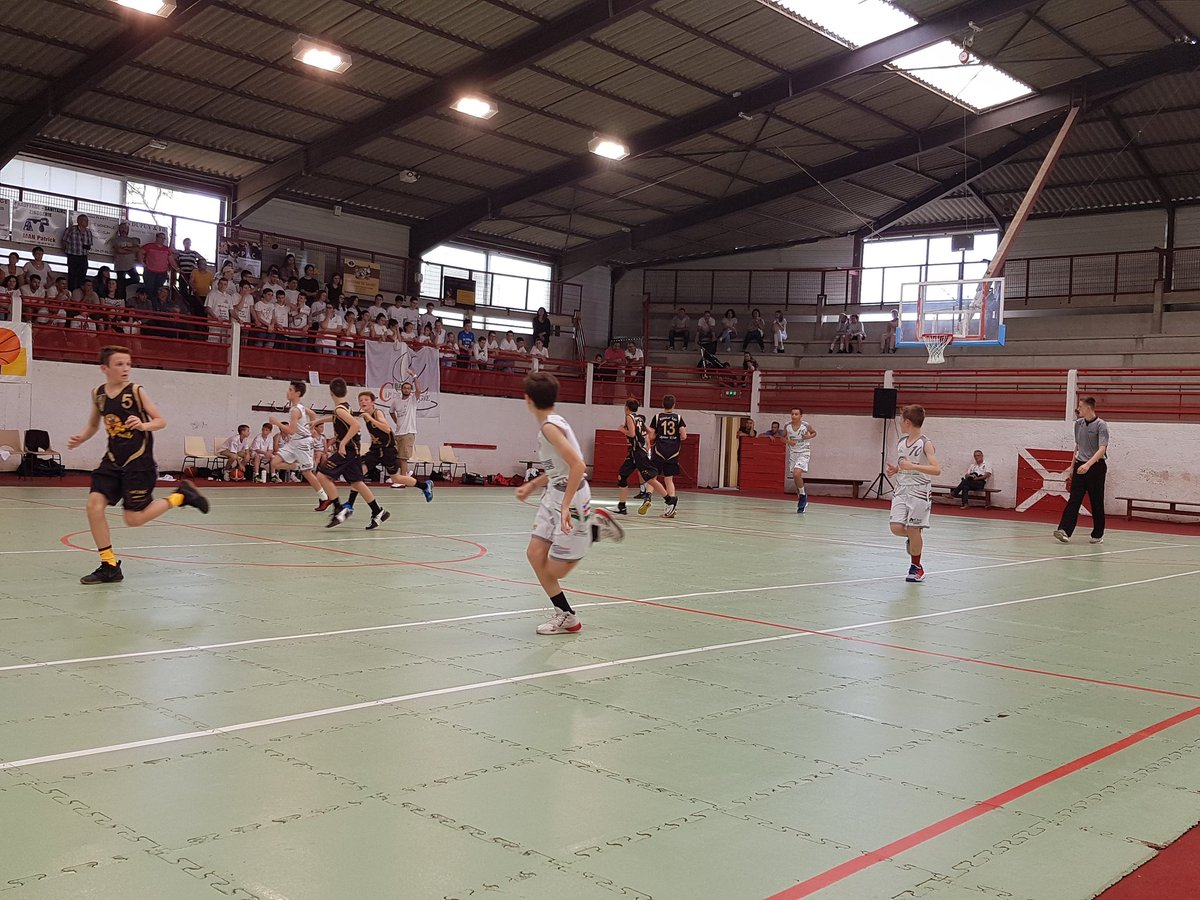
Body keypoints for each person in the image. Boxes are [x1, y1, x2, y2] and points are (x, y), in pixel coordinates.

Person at [67, 345, 209, 584]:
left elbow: (160, 421)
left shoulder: (135, 391)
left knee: (133, 519)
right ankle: (109, 565)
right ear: (105, 369)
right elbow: (93, 425)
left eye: (129, 364)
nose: (125, 368)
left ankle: (180, 497)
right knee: (94, 506)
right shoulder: (98, 394)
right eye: (119, 364)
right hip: (112, 460)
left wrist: (143, 425)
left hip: (138, 462)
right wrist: (81, 437)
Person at [514, 372, 624, 635]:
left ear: (527, 399)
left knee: (556, 570)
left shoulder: (550, 428)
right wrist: (533, 484)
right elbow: (560, 467)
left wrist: (565, 506)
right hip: (554, 492)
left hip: (572, 498)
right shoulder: (553, 422)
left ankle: (594, 530)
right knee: (534, 554)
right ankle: (566, 615)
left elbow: (577, 465)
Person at [314, 377, 388, 529]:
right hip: (353, 451)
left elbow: (355, 425)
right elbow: (337, 418)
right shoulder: (344, 407)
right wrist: (317, 422)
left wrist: (342, 443)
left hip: (347, 450)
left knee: (322, 475)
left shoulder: (339, 409)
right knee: (357, 483)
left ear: (331, 392)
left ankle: (338, 509)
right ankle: (378, 511)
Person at [886, 404, 941, 583]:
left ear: (907, 422)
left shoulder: (926, 443)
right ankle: (914, 536)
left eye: (901, 420)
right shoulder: (902, 442)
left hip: (919, 492)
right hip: (901, 490)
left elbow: (936, 469)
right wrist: (897, 469)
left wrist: (913, 467)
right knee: (895, 528)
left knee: (912, 528)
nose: (900, 423)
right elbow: (905, 465)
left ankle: (917, 567)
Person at [357, 391, 434, 509]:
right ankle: (349, 504)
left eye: (366, 399)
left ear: (373, 402)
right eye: (361, 400)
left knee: (396, 478)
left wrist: (370, 418)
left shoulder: (377, 413)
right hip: (376, 450)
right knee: (358, 474)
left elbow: (387, 429)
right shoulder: (365, 415)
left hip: (388, 450)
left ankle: (424, 486)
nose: (363, 401)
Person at [1054, 396, 1109, 545]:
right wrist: (1072, 467)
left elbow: (1102, 448)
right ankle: (1064, 530)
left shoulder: (1101, 425)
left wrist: (1089, 465)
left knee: (1096, 501)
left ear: (1089, 408)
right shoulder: (1078, 424)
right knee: (1074, 499)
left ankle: (1098, 534)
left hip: (1096, 467)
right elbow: (1078, 447)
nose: (1078, 409)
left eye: (1080, 406)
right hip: (1080, 466)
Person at [268, 381, 331, 506]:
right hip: (294, 442)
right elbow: (312, 414)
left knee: (307, 473)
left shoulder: (296, 410)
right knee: (275, 463)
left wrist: (277, 423)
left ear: (297, 393)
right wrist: (312, 428)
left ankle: (324, 498)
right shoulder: (299, 407)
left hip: (302, 443)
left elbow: (290, 430)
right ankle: (298, 467)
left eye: (290, 390)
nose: (288, 392)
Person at [615, 398, 666, 516]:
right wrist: (645, 441)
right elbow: (650, 432)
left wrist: (622, 430)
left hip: (638, 452)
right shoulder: (640, 418)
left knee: (649, 478)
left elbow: (632, 434)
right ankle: (622, 506)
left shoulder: (629, 417)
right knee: (622, 476)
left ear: (626, 407)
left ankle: (669, 499)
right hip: (636, 451)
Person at [648, 394, 686, 519]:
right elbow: (684, 436)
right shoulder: (678, 418)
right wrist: (675, 439)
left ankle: (647, 497)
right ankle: (671, 508)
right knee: (669, 480)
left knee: (652, 476)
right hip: (673, 452)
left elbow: (652, 436)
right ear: (674, 405)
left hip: (659, 451)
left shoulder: (657, 417)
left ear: (662, 404)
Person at [785, 407, 818, 513]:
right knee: (796, 477)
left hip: (804, 452)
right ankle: (802, 495)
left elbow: (814, 433)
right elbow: (781, 438)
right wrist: (788, 442)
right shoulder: (787, 426)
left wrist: (808, 437)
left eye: (796, 414)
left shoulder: (806, 425)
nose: (793, 416)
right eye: (792, 414)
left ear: (800, 416)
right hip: (793, 453)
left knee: (796, 473)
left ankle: (803, 496)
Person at [388, 377, 421, 478]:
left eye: (408, 388)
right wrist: (396, 421)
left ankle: (403, 479)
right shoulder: (396, 401)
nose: (406, 389)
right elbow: (391, 411)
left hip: (408, 432)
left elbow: (419, 390)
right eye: (405, 388)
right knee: (396, 457)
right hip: (398, 433)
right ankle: (401, 476)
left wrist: (414, 376)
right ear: (401, 389)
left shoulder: (413, 400)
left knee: (403, 458)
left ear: (411, 390)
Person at [61, 214, 95, 291]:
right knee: (72, 276)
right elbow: (64, 241)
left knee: (82, 276)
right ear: (79, 221)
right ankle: (71, 292)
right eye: (85, 220)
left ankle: (80, 293)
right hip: (73, 256)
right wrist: (67, 251)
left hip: (83, 257)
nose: (86, 222)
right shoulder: (71, 229)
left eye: (87, 221)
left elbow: (90, 244)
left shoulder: (88, 232)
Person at [141, 233, 176, 298]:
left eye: (164, 238)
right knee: (149, 289)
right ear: (156, 238)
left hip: (162, 273)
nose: (162, 239)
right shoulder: (149, 246)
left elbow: (171, 260)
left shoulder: (167, 249)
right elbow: (140, 252)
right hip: (150, 271)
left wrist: (177, 268)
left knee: (158, 290)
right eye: (161, 237)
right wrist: (142, 263)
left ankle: (156, 306)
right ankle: (149, 305)